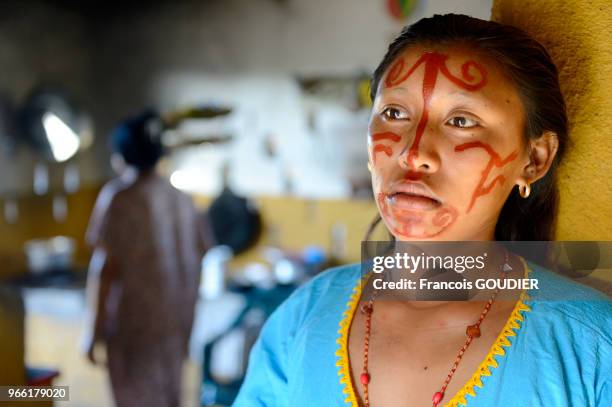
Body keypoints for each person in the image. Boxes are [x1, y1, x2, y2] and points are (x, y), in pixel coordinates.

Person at [233, 14, 611, 406]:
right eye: (394, 113)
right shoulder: (304, 317)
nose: (413, 153)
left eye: (461, 121)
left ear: (534, 159)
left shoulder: (592, 348)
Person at [83, 111, 212, 407]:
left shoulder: (119, 197)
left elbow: (105, 268)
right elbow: (201, 257)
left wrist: (93, 331)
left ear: (121, 155)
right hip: (176, 326)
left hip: (134, 330)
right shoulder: (183, 199)